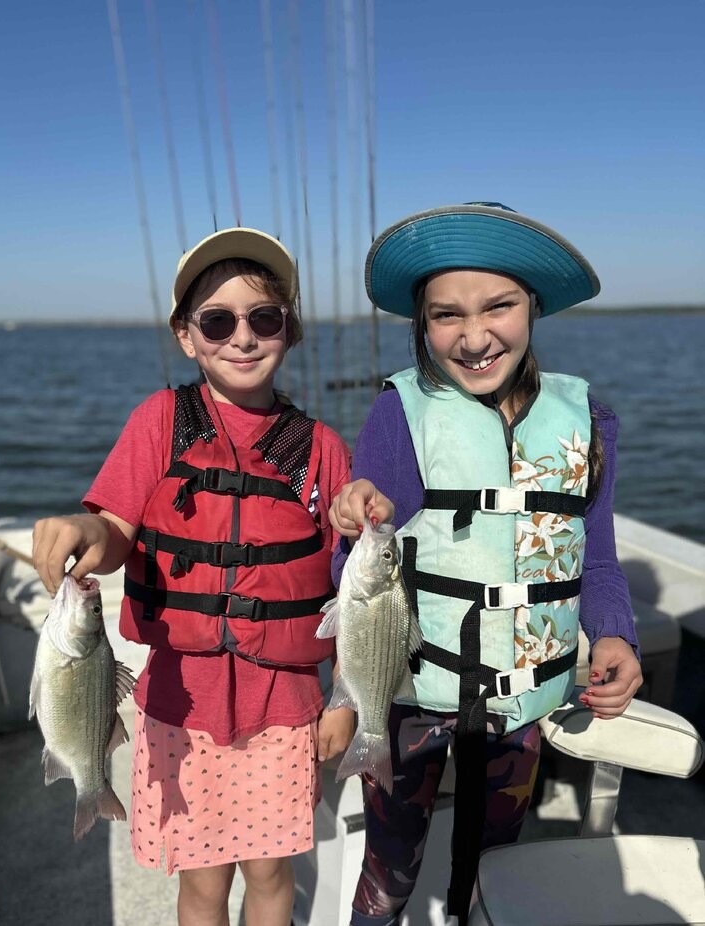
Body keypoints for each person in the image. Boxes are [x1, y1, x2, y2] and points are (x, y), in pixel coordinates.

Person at [328, 203, 643, 926]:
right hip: (408, 695)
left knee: (494, 869)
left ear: (533, 304)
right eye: (447, 316)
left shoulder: (589, 419)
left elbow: (596, 558)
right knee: (389, 874)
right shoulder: (399, 413)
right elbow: (357, 570)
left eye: (498, 306)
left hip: (519, 706)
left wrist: (615, 635)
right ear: (422, 323)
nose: (474, 338)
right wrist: (355, 514)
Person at [33, 227, 354, 926]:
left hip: (286, 703)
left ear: (290, 331)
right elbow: (113, 532)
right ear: (186, 336)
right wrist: (85, 532)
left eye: (264, 318)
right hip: (182, 703)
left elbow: (353, 594)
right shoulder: (159, 421)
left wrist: (347, 700)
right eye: (217, 321)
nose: (243, 337)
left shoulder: (322, 450)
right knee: (203, 880)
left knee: (271, 874)